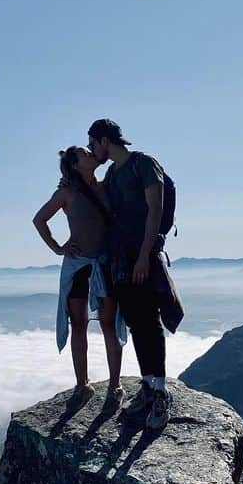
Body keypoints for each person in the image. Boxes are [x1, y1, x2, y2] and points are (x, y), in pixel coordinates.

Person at [87, 118, 183, 431]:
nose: (92, 150)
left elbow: (155, 208)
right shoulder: (114, 173)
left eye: (92, 144)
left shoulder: (143, 163)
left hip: (142, 257)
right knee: (137, 321)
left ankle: (160, 394)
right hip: (120, 261)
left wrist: (144, 256)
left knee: (150, 322)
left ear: (104, 140)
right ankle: (148, 385)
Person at [32, 146, 126, 408]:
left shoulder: (107, 185)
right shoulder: (66, 192)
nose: (90, 155)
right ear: (75, 165)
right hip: (79, 266)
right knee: (79, 324)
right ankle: (82, 385)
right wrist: (58, 248)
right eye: (84, 154)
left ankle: (114, 386)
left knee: (109, 323)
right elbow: (39, 219)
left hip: (105, 264)